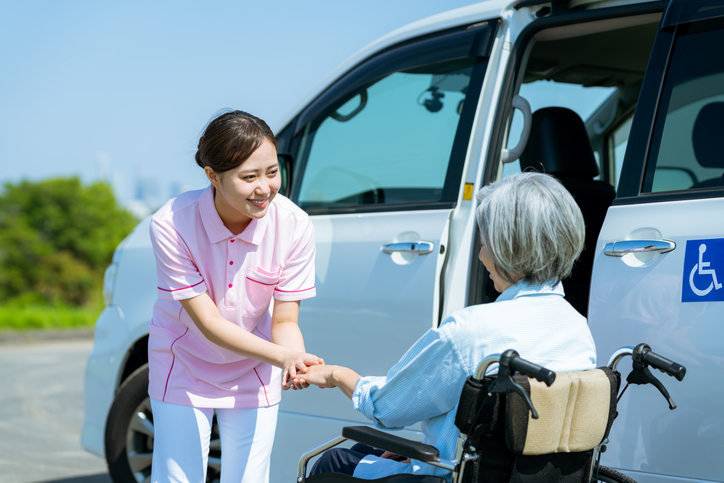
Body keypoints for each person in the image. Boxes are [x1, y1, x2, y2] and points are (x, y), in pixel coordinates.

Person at [298, 172, 598, 480]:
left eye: (485, 245)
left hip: (457, 475)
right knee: (372, 452)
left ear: (507, 250)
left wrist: (337, 374)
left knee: (332, 462)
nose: (481, 256)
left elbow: (388, 409)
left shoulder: (471, 331)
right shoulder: (578, 330)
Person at [148, 110, 322, 483]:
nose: (265, 188)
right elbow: (209, 323)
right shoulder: (171, 223)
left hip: (254, 366)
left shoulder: (294, 225)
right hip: (183, 364)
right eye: (249, 177)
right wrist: (284, 356)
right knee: (178, 478)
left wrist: (295, 360)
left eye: (272, 172)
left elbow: (285, 320)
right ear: (212, 176)